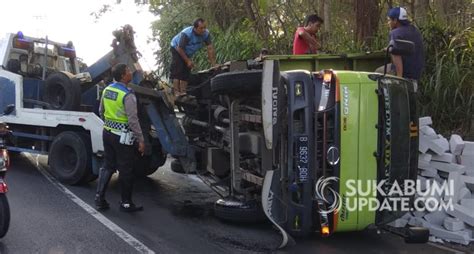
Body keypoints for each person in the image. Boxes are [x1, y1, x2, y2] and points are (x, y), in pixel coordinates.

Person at [95, 63, 145, 213]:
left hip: (107, 133)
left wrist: (110, 124)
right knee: (126, 169)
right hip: (122, 137)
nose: (131, 72)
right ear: (123, 75)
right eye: (129, 71)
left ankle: (99, 198)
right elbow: (133, 120)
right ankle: (126, 203)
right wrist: (141, 139)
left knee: (108, 165)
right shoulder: (127, 94)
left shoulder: (107, 90)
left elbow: (101, 111)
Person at [170, 18, 216, 97]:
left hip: (187, 51)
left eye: (205, 27)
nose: (203, 30)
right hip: (177, 48)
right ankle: (176, 92)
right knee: (178, 69)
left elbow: (210, 48)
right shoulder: (187, 34)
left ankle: (183, 92)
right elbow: (179, 48)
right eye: (201, 28)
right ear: (195, 28)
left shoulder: (206, 34)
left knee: (187, 70)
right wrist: (188, 61)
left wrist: (213, 64)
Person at [386, 7, 425, 84]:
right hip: (416, 73)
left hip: (404, 73)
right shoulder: (415, 30)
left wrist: (399, 77)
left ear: (395, 21)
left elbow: (396, 54)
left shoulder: (394, 33)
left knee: (377, 72)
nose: (388, 23)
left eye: (389, 20)